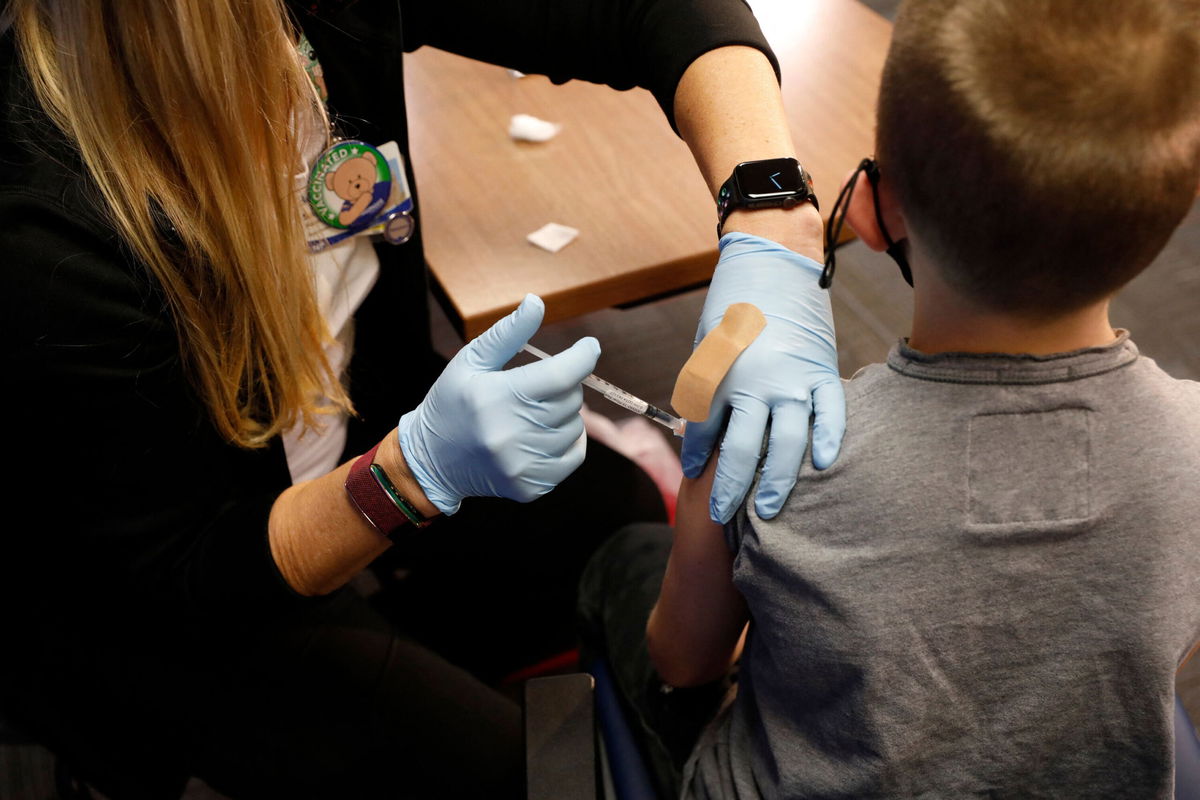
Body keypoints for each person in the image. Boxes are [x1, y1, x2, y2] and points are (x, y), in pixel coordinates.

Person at [0, 0, 846, 797]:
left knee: (615, 514)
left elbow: (647, 10)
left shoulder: (315, 20)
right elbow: (189, 574)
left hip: (344, 418)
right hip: (189, 602)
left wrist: (771, 209)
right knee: (523, 774)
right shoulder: (42, 227)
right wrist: (407, 476)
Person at [579, 0, 1200, 796]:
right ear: (1172, 216)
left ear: (874, 207)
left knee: (620, 560)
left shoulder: (771, 445)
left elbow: (684, 659)